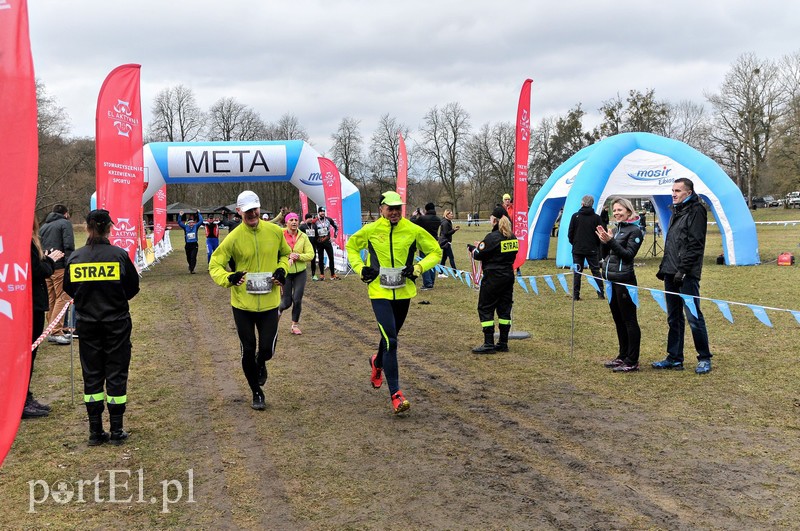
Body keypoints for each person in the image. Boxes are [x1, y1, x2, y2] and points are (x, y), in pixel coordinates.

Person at [346, 191, 441, 415]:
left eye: (398, 208)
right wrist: (361, 269)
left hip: (404, 292)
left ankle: (377, 362)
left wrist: (418, 268)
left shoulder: (413, 229)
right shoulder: (370, 230)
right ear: (381, 210)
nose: (395, 212)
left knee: (391, 338)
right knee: (391, 341)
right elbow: (350, 246)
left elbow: (435, 252)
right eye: (390, 208)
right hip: (379, 292)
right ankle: (396, 395)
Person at [63, 209, 140, 446]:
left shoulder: (75, 257)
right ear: (109, 228)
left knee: (92, 375)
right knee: (117, 373)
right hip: (116, 323)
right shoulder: (119, 255)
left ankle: (95, 431)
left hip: (87, 325)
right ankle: (116, 430)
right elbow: (132, 288)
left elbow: (69, 289)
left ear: (87, 228)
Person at [209, 190, 291, 410]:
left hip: (269, 303)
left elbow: (285, 254)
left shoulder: (274, 231)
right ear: (239, 212)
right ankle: (256, 392)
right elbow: (214, 264)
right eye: (247, 211)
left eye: (255, 209)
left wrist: (282, 269)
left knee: (267, 349)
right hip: (243, 304)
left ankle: (262, 362)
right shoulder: (233, 238)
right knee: (248, 348)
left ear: (260, 207)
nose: (252, 214)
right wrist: (229, 278)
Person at [653, 178, 713, 374]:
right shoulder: (675, 212)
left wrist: (683, 270)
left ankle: (704, 357)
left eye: (678, 190)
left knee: (693, 317)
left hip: (686, 273)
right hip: (671, 272)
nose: (674, 193)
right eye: (672, 190)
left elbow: (695, 244)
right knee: (673, 317)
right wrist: (665, 268)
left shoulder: (696, 211)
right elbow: (672, 243)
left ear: (688, 192)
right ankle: (674, 358)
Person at [596, 198, 643, 372]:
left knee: (629, 320)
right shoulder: (615, 230)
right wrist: (604, 242)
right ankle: (622, 356)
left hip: (625, 281)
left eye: (619, 210)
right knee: (618, 320)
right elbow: (607, 256)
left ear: (629, 211)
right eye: (614, 211)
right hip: (611, 280)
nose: (616, 213)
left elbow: (628, 255)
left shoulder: (635, 231)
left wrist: (610, 241)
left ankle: (632, 360)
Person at [24, 220, 64, 419]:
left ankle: (25, 396)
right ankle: (22, 401)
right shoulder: (26, 243)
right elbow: (36, 270)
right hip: (30, 305)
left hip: (32, 303)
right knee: (27, 354)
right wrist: (49, 261)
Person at [468, 205, 519, 354]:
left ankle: (488, 343)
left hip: (493, 278)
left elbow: (478, 255)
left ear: (495, 220)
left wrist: (475, 248)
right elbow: (511, 255)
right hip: (508, 277)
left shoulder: (492, 237)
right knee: (504, 308)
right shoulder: (512, 237)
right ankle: (503, 342)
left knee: (485, 307)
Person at [39, 203, 75, 345]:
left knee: (52, 299)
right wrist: (69, 264)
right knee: (63, 296)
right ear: (65, 213)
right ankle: (55, 331)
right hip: (60, 267)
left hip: (47, 266)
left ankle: (52, 329)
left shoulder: (43, 227)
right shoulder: (65, 224)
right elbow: (68, 245)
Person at [279, 212, 315, 335]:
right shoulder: (280, 235)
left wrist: (298, 256)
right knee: (286, 302)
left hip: (300, 272)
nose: (294, 222)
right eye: (291, 220)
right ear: (286, 222)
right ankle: (276, 315)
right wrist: (288, 255)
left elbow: (311, 254)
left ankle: (294, 325)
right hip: (286, 272)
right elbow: (275, 252)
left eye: (296, 220)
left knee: (297, 299)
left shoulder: (303, 236)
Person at [567, 195, 605, 301]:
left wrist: (574, 243)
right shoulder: (596, 218)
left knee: (577, 272)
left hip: (578, 248)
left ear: (582, 203)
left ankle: (575, 295)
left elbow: (570, 233)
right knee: (596, 271)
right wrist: (596, 245)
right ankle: (600, 293)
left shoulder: (575, 216)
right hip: (592, 248)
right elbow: (600, 233)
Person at [412, 202, 441, 290]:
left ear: (426, 209)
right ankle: (431, 281)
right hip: (435, 242)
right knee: (432, 262)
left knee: (424, 262)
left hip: (424, 243)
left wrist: (414, 216)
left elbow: (413, 224)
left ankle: (427, 283)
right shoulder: (438, 219)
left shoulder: (422, 219)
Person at [313, 206, 339, 280]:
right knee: (320, 259)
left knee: (331, 257)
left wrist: (334, 237)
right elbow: (311, 230)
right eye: (321, 212)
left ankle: (332, 274)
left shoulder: (328, 219)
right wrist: (314, 240)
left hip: (327, 241)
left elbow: (336, 227)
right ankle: (322, 275)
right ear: (318, 212)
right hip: (319, 242)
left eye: (323, 211)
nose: (322, 213)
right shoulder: (315, 221)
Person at [177, 209, 203, 274]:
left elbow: (201, 221)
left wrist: (199, 213)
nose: (191, 224)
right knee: (188, 257)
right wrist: (180, 215)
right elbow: (179, 222)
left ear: (194, 223)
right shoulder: (185, 227)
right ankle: (190, 266)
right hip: (188, 245)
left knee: (193, 257)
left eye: (192, 222)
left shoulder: (196, 226)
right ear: (188, 223)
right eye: (190, 223)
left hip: (194, 245)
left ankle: (192, 269)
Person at [438, 209, 460, 275]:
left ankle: (440, 273)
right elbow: (446, 233)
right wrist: (454, 230)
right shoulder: (445, 223)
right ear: (447, 215)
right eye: (451, 214)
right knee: (451, 257)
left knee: (444, 258)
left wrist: (453, 230)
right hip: (445, 242)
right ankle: (456, 272)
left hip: (446, 241)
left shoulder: (448, 222)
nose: (452, 215)